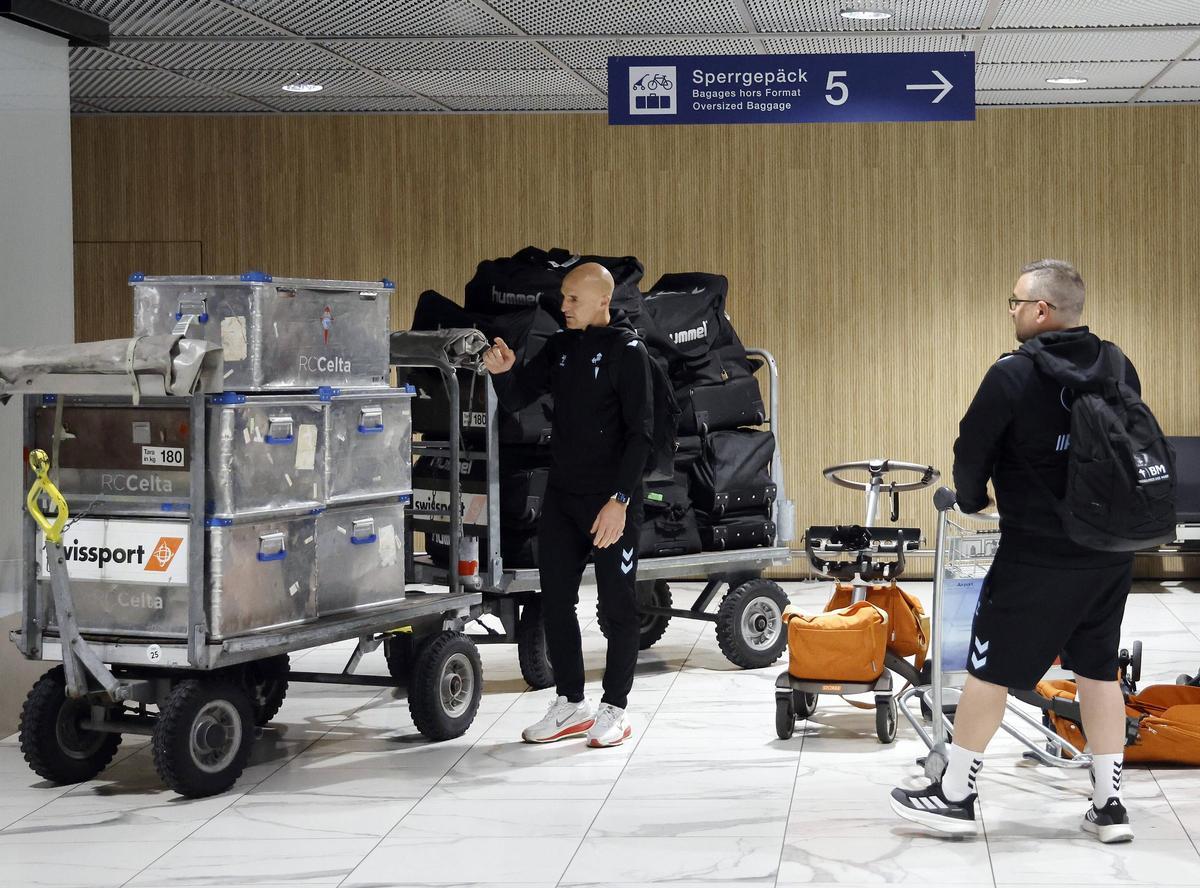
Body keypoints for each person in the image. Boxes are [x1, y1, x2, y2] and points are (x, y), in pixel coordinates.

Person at [890, 259, 1140, 843]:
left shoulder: (1012, 373)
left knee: (989, 671)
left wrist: (972, 500)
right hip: (1108, 551)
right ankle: (1108, 808)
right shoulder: (1117, 364)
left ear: (1041, 311)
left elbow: (971, 447)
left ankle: (955, 795)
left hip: (1036, 553)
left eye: (1015, 301)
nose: (1010, 310)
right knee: (1099, 673)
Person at [482, 262, 652, 748]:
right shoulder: (558, 348)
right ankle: (571, 704)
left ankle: (615, 709)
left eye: (574, 299)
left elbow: (642, 436)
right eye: (563, 297)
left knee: (616, 606)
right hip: (563, 497)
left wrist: (619, 501)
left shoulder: (628, 351)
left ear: (603, 300)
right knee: (555, 601)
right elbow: (517, 399)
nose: (564, 306)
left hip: (611, 501)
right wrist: (503, 373)